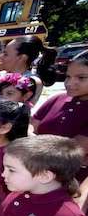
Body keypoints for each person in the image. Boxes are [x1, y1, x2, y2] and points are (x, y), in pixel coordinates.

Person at [32, 50, 88, 182]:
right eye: (68, 76)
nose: (69, 83)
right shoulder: (59, 98)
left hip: (72, 184)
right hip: (36, 175)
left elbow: (73, 150)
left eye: (81, 78)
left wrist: (32, 142)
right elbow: (29, 126)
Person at [0, 35, 57, 107]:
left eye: (6, 54)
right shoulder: (2, 74)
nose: (0, 57)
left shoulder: (31, 81)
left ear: (22, 58)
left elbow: (12, 114)